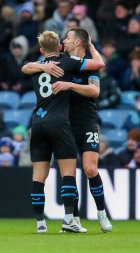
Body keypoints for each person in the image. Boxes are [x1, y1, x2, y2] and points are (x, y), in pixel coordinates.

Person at [21, 31, 104, 233]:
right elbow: (98, 64)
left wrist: (40, 65)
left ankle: (40, 225)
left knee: (38, 176)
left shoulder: (35, 67)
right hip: (59, 122)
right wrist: (91, 47)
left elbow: (24, 67)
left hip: (37, 123)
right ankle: (69, 219)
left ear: (41, 50)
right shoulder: (66, 62)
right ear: (59, 47)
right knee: (68, 173)